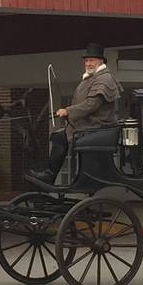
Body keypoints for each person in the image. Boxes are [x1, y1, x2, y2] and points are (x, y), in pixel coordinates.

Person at [28, 43, 123, 184]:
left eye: (92, 60)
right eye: (86, 61)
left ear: (101, 61)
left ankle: (49, 175)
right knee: (58, 136)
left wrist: (68, 111)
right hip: (89, 126)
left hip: (96, 127)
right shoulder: (92, 78)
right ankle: (49, 173)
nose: (88, 63)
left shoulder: (104, 79)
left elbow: (92, 105)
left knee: (60, 137)